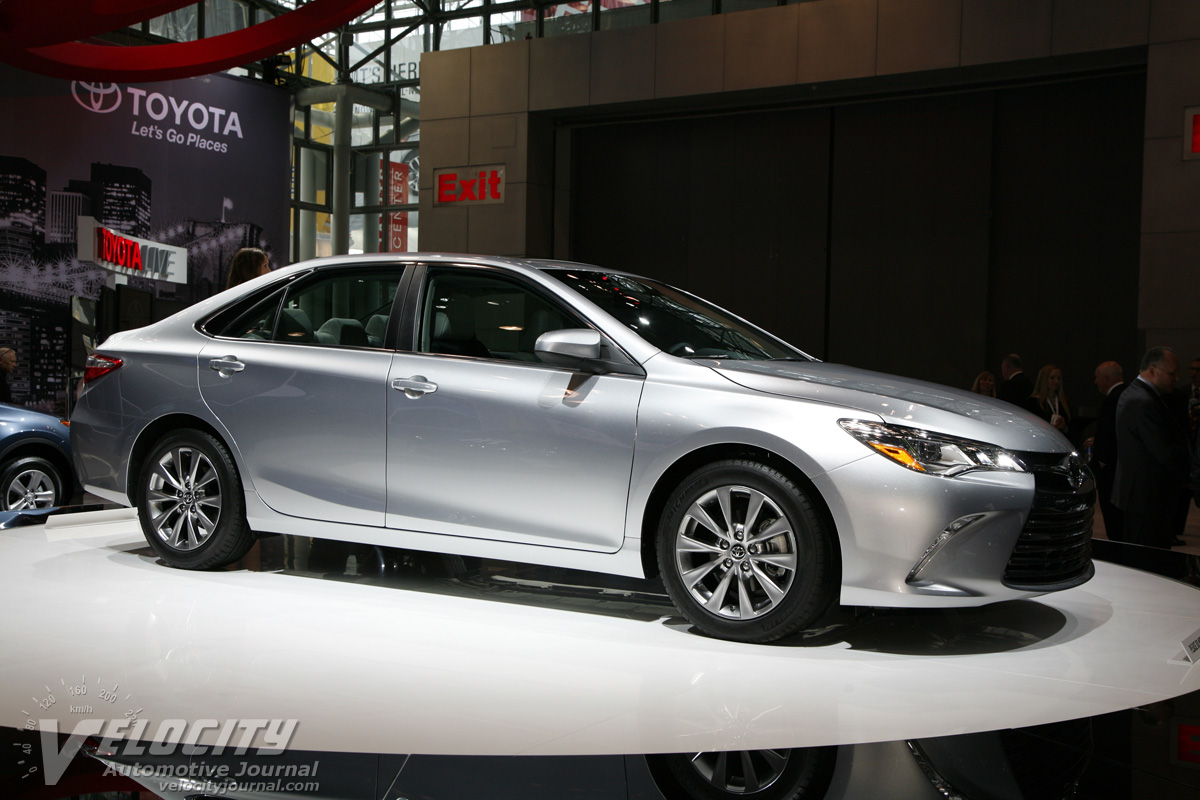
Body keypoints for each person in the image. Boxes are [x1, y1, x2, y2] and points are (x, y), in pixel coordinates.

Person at [1113, 347, 1191, 549]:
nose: (1177, 379)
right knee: (1148, 557)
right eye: (1172, 373)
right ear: (1153, 370)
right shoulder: (1143, 402)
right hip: (1147, 497)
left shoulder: (1137, 394)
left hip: (1142, 495)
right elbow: (1164, 451)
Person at [1088, 361, 1126, 541]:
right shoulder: (1126, 395)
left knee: (1113, 519)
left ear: (1106, 378)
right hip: (1122, 467)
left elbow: (1109, 434)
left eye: (1097, 378)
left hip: (1111, 470)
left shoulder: (1112, 400)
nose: (1095, 382)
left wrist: (1100, 462)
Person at [1029, 364, 1070, 434]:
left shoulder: (1063, 402)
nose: (1056, 381)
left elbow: (1071, 426)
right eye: (1052, 378)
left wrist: (1064, 427)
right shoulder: (1034, 401)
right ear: (1044, 379)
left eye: (1058, 378)